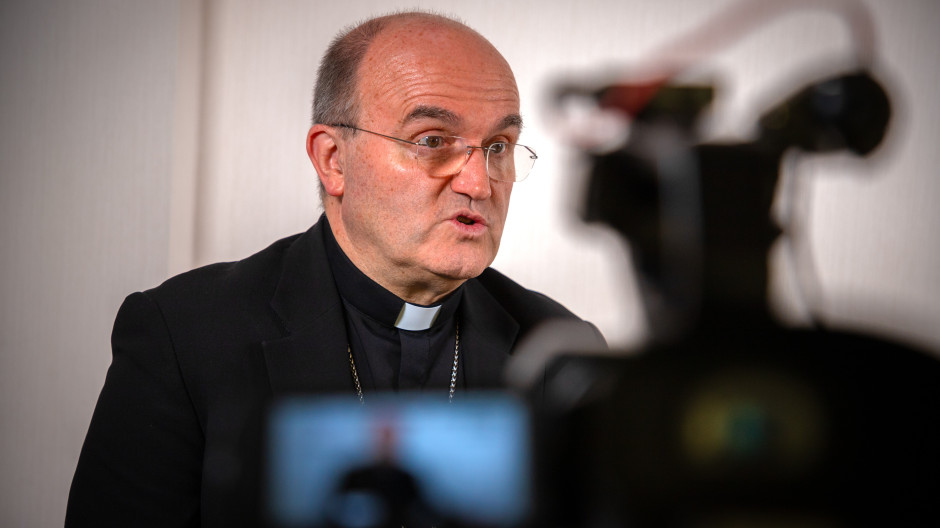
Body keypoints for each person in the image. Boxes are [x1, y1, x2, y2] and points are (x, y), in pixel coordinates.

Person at [65, 11, 605, 527]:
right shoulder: (183, 335)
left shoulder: (560, 351)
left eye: (498, 147)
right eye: (432, 141)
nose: (479, 183)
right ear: (332, 160)